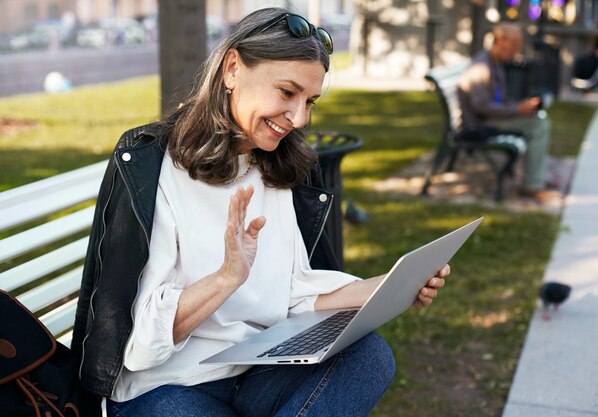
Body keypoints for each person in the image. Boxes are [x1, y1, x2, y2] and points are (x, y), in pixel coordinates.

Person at [71, 7, 450, 417]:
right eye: (287, 93)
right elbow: (140, 345)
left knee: (369, 357)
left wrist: (392, 286)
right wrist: (226, 278)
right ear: (232, 69)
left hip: (255, 372)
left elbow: (292, 295)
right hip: (166, 387)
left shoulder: (274, 167)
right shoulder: (155, 165)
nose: (299, 118)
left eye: (310, 101)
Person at [458, 22, 555, 202]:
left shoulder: (494, 63)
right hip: (480, 125)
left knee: (537, 117)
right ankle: (532, 185)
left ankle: (534, 179)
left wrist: (521, 107)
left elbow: (497, 102)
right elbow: (482, 107)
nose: (516, 51)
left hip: (491, 118)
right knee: (539, 125)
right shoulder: (481, 67)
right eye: (513, 46)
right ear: (500, 41)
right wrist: (517, 108)